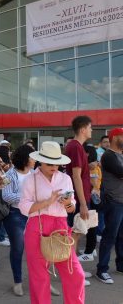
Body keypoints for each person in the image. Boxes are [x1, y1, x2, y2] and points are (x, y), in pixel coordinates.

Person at [19, 141, 85, 304]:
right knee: (39, 276)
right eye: (50, 163)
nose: (54, 167)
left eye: (57, 163)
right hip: (37, 226)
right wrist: (48, 202)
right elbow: (23, 207)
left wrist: (68, 203)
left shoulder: (65, 178)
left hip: (61, 226)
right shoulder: (31, 179)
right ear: (40, 160)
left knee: (75, 274)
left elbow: (72, 207)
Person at [1, 144, 35, 296]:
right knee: (18, 248)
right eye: (32, 157)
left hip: (34, 214)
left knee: (37, 250)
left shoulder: (35, 173)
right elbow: (6, 196)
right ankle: (18, 281)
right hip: (15, 215)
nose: (35, 160)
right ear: (25, 158)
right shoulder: (9, 174)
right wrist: (26, 199)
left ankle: (41, 281)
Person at [96, 128, 123, 284]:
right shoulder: (108, 156)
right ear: (115, 138)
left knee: (121, 236)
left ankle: (120, 265)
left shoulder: (120, 155)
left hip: (121, 201)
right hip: (114, 202)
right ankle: (102, 270)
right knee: (110, 236)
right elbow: (121, 172)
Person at [64, 116, 93, 262]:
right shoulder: (75, 147)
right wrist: (82, 204)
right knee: (75, 233)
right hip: (78, 198)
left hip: (78, 196)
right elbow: (76, 176)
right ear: (83, 130)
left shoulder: (75, 146)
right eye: (90, 127)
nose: (91, 130)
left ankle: (72, 270)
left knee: (75, 233)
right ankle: (72, 272)